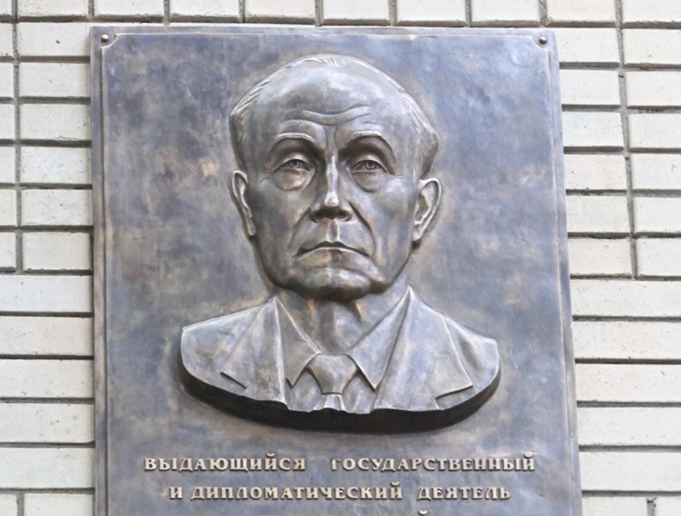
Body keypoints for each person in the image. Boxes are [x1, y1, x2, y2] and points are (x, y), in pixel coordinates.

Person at [179, 53, 501, 428]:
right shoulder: (205, 355)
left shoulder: (470, 363)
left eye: (368, 165)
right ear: (248, 204)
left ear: (421, 210)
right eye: (295, 164)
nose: (331, 200)